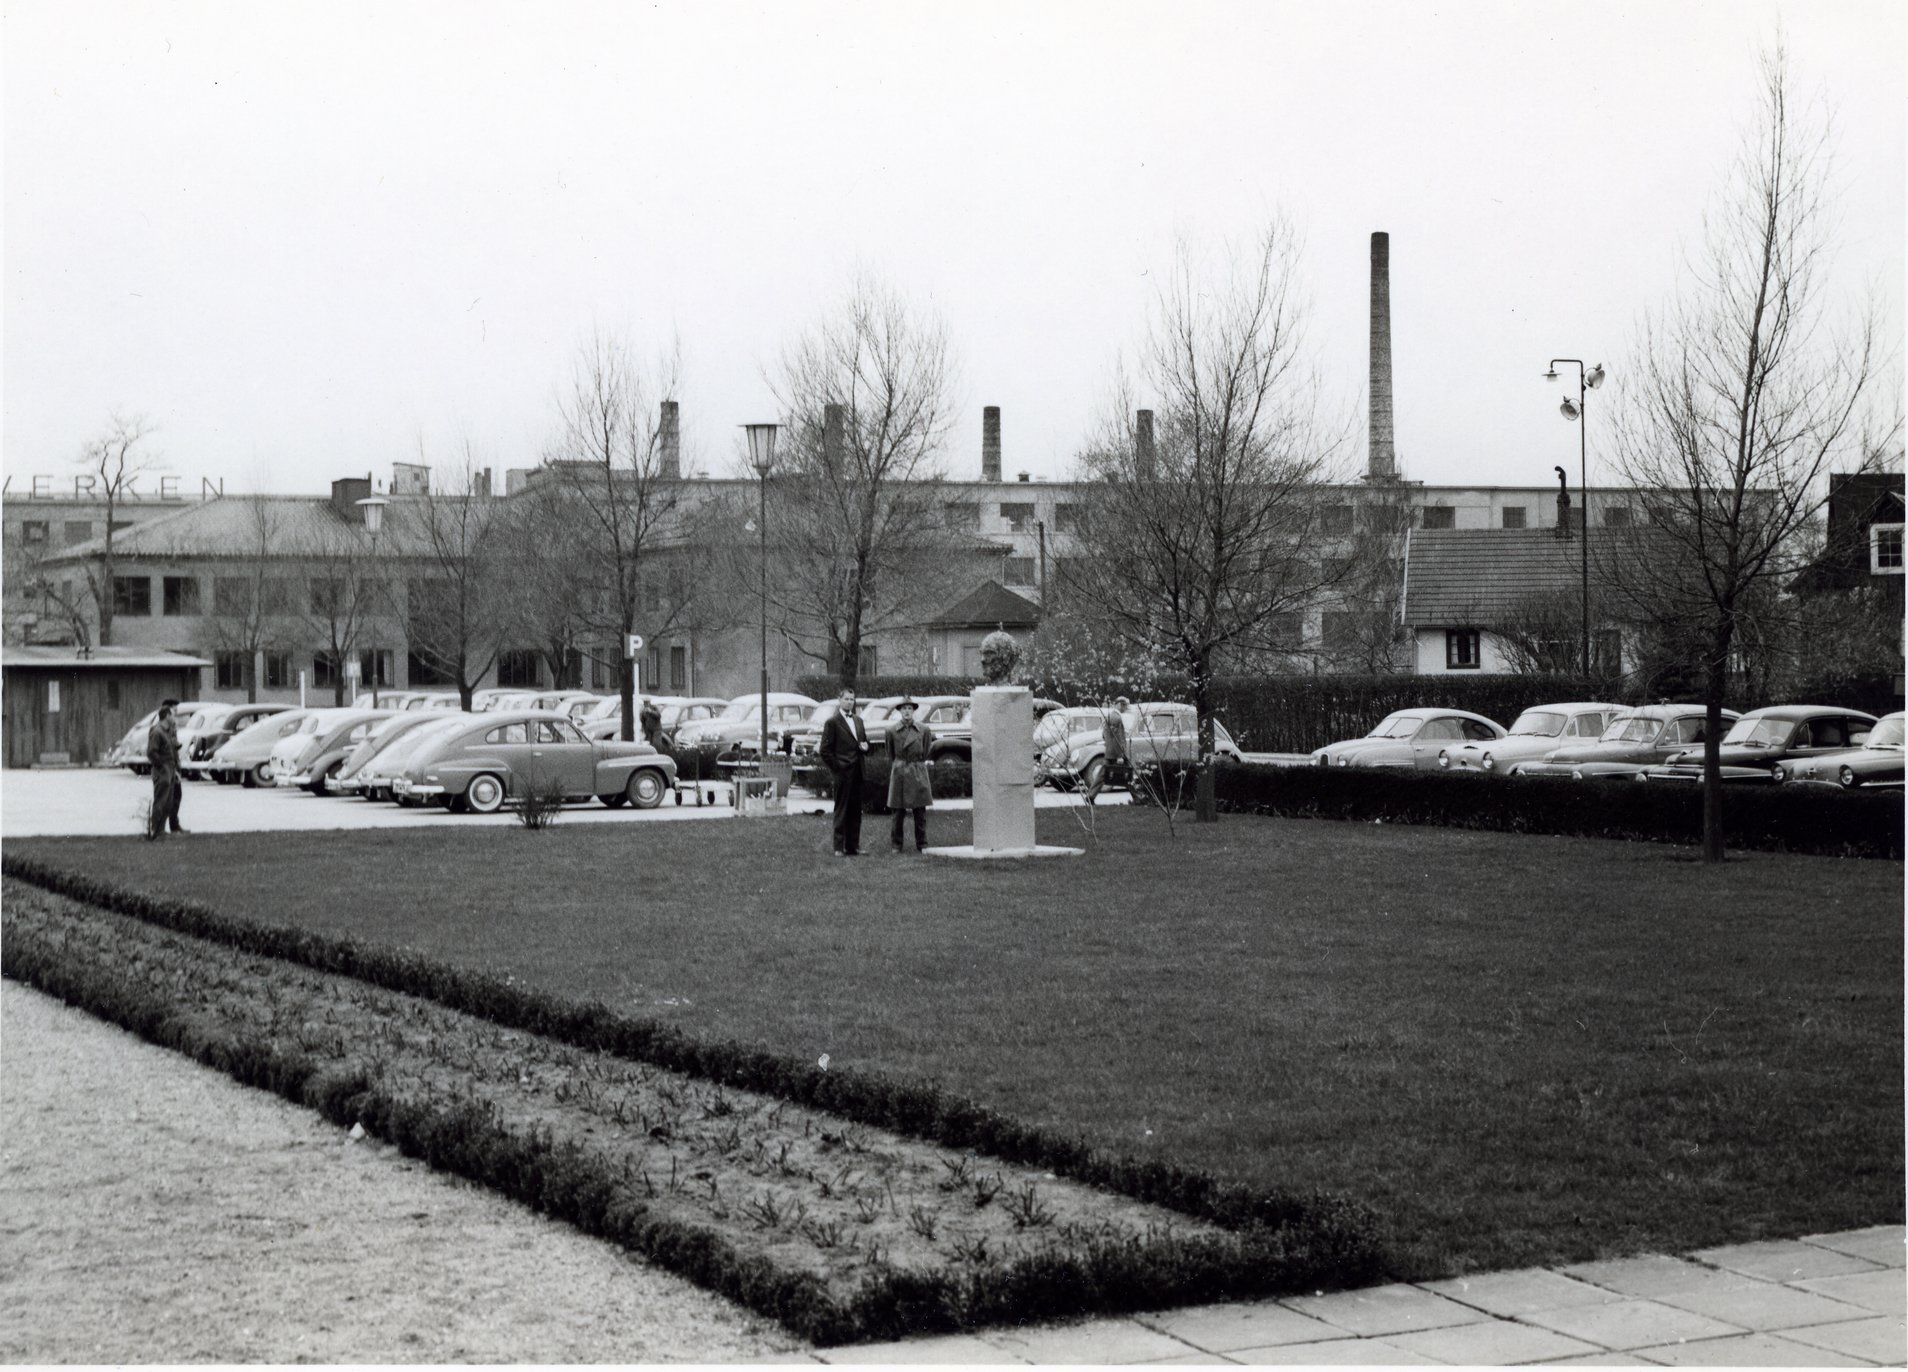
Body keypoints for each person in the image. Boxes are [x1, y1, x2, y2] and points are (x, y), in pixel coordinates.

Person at [817, 688, 869, 857]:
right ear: (839, 700)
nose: (849, 702)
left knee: (856, 811)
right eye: (846, 699)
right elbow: (825, 750)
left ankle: (853, 846)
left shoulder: (859, 721)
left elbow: (864, 742)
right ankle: (839, 847)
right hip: (843, 773)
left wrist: (866, 747)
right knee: (841, 810)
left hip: (858, 772)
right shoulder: (832, 722)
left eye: (852, 700)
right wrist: (838, 767)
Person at [884, 697, 932, 853]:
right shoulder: (891, 731)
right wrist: (900, 765)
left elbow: (925, 751)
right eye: (904, 708)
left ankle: (922, 844)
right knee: (897, 812)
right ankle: (896, 845)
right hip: (900, 772)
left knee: (920, 811)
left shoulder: (924, 730)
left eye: (910, 709)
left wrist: (915, 764)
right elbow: (890, 753)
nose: (907, 711)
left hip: (917, 770)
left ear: (914, 711)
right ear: (899, 711)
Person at [145, 699, 185, 839]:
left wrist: (175, 770)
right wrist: (162, 767)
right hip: (162, 770)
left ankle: (162, 830)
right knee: (161, 800)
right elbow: (151, 753)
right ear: (167, 716)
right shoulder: (157, 732)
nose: (175, 717)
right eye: (173, 714)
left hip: (170, 769)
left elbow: (172, 751)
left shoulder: (168, 731)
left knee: (168, 802)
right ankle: (156, 829)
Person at [1087, 696, 1129, 804]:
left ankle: (1091, 795)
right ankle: (1138, 797)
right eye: (1125, 706)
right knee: (1127, 773)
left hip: (1110, 752)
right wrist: (1120, 755)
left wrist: (1109, 747)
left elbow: (1104, 735)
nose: (1126, 708)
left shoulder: (1110, 716)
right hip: (1116, 754)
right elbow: (1118, 738)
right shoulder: (1117, 718)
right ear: (1119, 704)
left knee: (1102, 775)